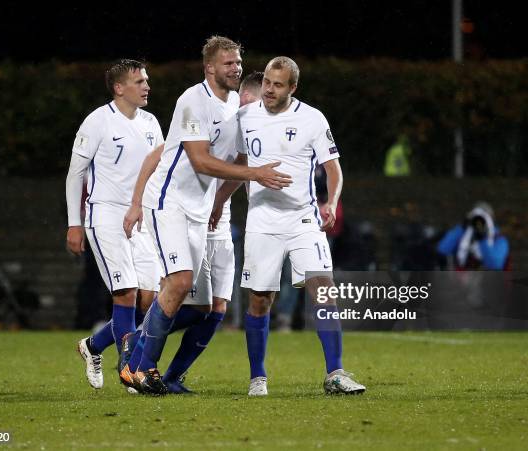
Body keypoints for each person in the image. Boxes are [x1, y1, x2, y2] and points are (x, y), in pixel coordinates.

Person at [121, 37, 291, 395]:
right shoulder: (192, 101)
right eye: (228, 63)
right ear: (210, 67)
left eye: (239, 62)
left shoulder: (239, 108)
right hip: (168, 203)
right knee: (179, 282)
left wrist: (217, 202)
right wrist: (256, 175)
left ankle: (134, 354)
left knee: (200, 307)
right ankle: (140, 370)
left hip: (199, 211)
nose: (236, 68)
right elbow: (199, 159)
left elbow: (240, 160)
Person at [211, 56, 366, 396]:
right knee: (260, 299)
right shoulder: (245, 116)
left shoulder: (312, 118)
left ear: (292, 88)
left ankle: (335, 373)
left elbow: (334, 169)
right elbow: (241, 163)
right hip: (262, 221)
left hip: (303, 218)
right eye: (266, 81)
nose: (268, 89)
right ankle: (257, 377)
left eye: (277, 84)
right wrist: (221, 199)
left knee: (323, 290)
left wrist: (331, 203)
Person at [65, 59, 164, 390]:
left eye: (146, 80)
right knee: (126, 292)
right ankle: (130, 369)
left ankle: (93, 346)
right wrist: (73, 224)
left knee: (151, 299)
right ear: (119, 88)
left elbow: (158, 173)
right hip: (105, 215)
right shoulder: (97, 121)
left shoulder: (151, 123)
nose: (147, 86)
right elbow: (75, 174)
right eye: (139, 81)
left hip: (142, 218)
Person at [437, 201, 510, 270]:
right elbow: (442, 250)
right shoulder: (464, 232)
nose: (479, 223)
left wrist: (482, 239)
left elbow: (494, 265)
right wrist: (462, 227)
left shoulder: (499, 239)